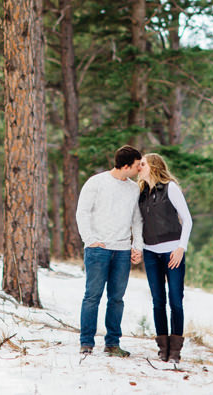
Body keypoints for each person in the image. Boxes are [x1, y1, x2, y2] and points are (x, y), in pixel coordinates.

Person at [75, 145, 145, 357]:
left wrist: (137, 246)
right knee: (92, 296)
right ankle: (86, 343)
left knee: (117, 299)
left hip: (122, 251)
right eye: (136, 165)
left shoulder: (134, 189)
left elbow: (137, 220)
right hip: (98, 250)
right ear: (126, 166)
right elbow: (82, 212)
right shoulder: (97, 183)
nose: (139, 169)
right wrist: (90, 240)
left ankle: (112, 344)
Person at [137, 152, 192, 364]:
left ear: (153, 166)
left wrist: (181, 248)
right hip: (151, 252)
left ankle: (176, 349)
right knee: (158, 301)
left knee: (176, 301)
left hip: (172, 252)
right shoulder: (141, 192)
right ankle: (163, 347)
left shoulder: (171, 188)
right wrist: (139, 247)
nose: (139, 167)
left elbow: (187, 220)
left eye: (142, 164)